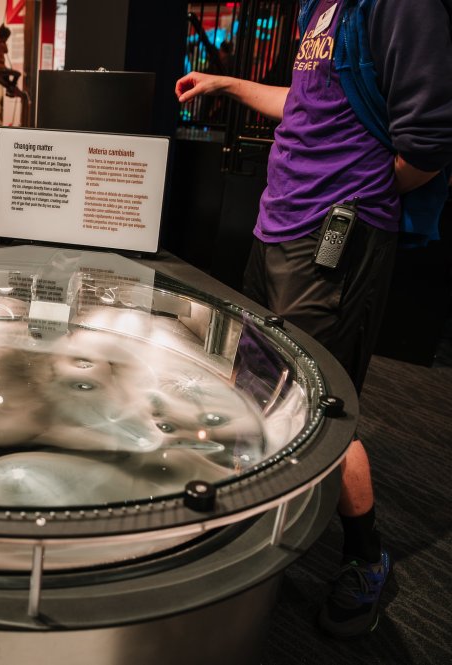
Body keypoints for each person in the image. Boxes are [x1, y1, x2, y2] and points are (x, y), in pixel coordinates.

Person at [175, 0, 452, 638]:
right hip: (280, 226)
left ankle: (365, 556)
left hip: (334, 240)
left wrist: (359, 195)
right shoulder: (321, 8)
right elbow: (308, 102)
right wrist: (228, 83)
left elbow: (431, 137)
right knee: (257, 385)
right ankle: (254, 518)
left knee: (318, 405)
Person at [0, 24, 22, 96]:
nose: (6, 40)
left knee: (8, 79)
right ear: (4, 37)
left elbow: (6, 50)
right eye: (6, 38)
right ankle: (11, 87)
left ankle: (10, 88)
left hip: (1, 67)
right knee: (15, 75)